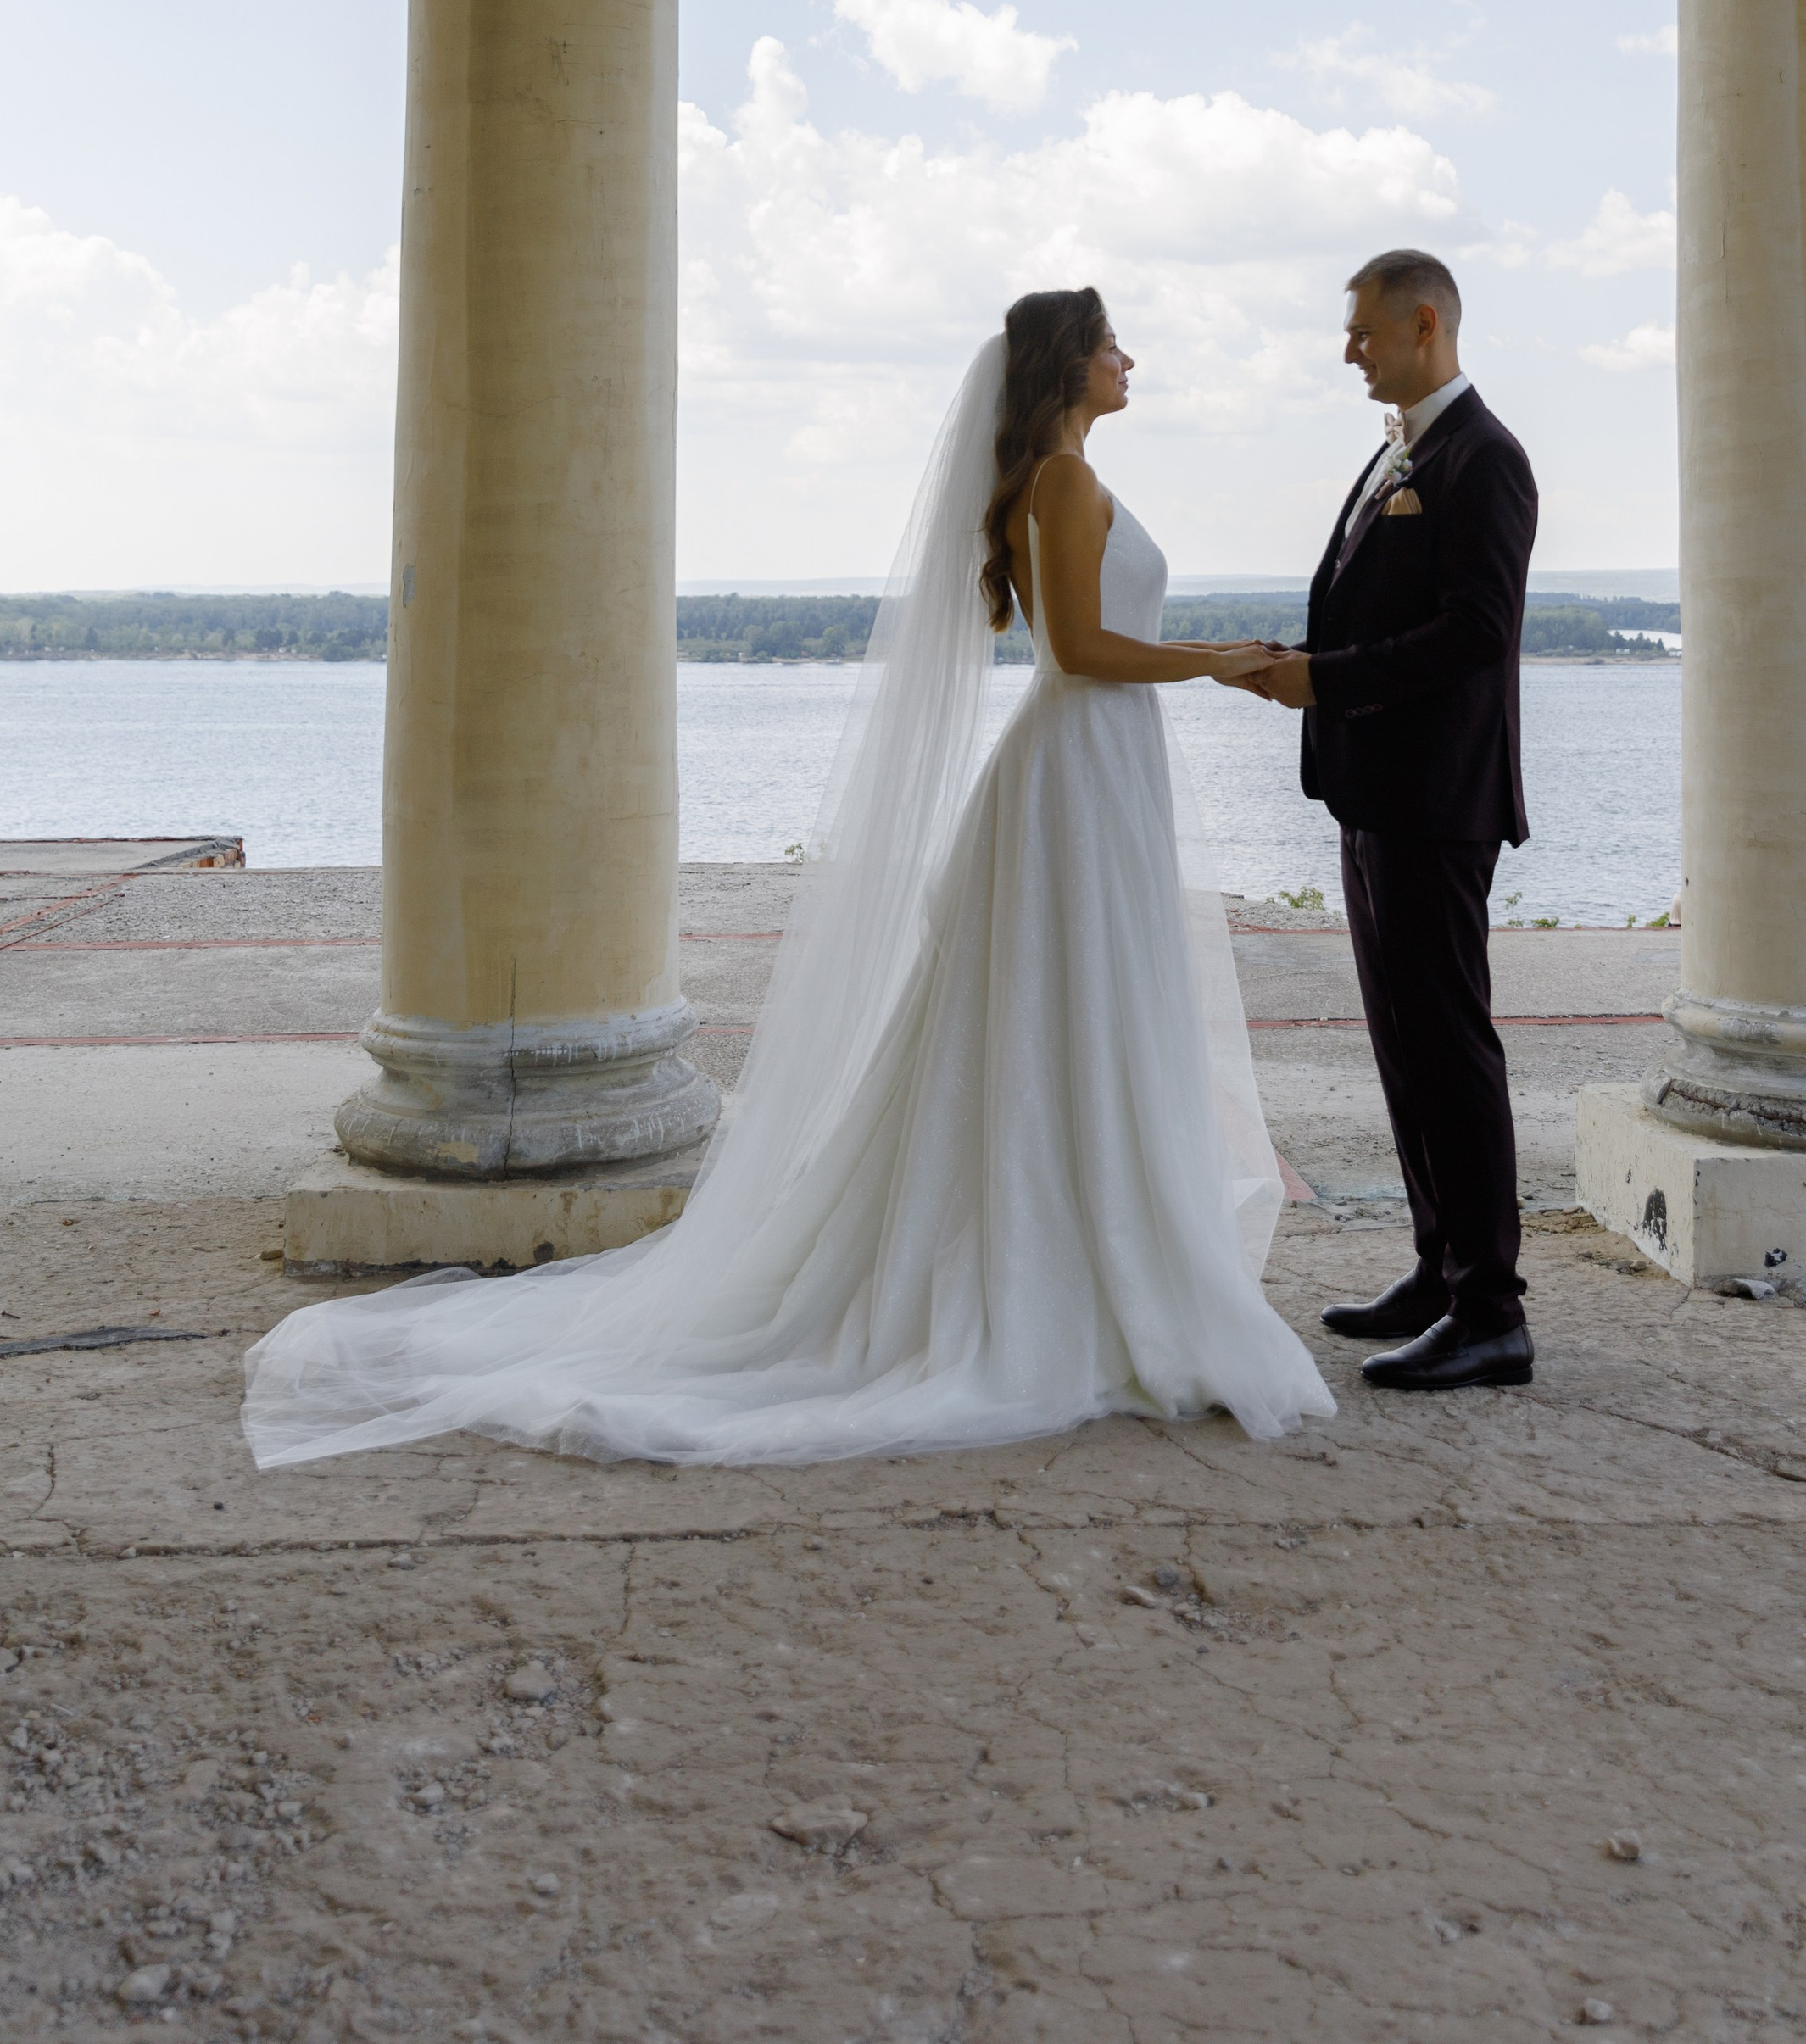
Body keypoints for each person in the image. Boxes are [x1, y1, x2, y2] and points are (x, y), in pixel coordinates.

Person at [242, 288, 1332, 1471]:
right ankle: (1078, 1260)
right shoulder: (1064, 482)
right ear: (1071, 363)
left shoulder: (1060, 477)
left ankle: (1081, 1242)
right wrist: (1221, 662)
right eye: (1113, 341)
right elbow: (1077, 652)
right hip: (1080, 766)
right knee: (1074, 1005)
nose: (1130, 358)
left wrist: (1215, 661)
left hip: (1098, 767)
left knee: (1080, 1010)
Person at [1244, 249, 1539, 1392]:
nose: (1348, 351)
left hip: (1437, 801)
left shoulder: (1485, 457)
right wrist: (1305, 663)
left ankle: (1492, 1312)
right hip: (1376, 794)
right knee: (1405, 1047)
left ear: (1425, 324)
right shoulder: (1402, 449)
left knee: (1450, 1049)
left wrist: (1328, 680)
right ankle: (1438, 1270)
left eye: (1363, 331)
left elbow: (1477, 632)